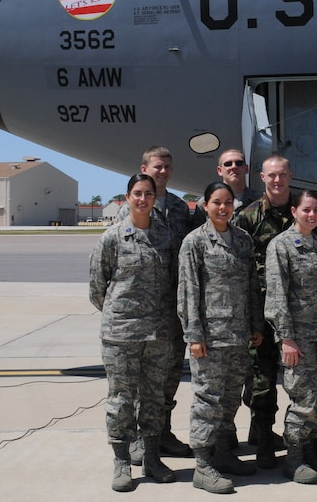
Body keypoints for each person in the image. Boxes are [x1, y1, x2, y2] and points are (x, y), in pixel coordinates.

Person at [90, 174, 179, 492]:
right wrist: (122, 316)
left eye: (148, 194)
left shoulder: (165, 237)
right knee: (121, 401)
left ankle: (152, 458)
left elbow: (172, 284)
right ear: (128, 197)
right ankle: (122, 462)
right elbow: (97, 287)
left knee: (154, 399)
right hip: (121, 335)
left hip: (158, 334)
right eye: (137, 194)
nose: (143, 199)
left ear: (155, 198)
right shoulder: (112, 237)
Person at [178, 182, 264, 494]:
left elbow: (251, 285)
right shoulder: (195, 242)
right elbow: (188, 292)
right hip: (210, 339)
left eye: (228, 202)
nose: (223, 207)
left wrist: (256, 323)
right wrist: (194, 335)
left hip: (238, 335)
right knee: (206, 400)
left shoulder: (242, 240)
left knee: (229, 399)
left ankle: (224, 452)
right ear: (204, 204)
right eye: (216, 202)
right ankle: (203, 464)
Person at [115, 146, 196, 462]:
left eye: (167, 167)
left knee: (171, 373)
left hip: (174, 308)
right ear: (144, 168)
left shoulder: (178, 208)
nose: (162, 172)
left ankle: (162, 433)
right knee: (141, 379)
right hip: (142, 310)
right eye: (157, 167)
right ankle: (137, 438)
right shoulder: (130, 209)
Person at [265, 190, 317, 483]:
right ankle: (294, 458)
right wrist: (286, 337)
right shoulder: (281, 245)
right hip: (298, 338)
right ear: (294, 211)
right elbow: (276, 294)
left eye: (316, 210)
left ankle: (309, 451)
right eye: (306, 210)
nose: (312, 215)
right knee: (303, 399)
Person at [234, 155, 295, 467]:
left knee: (302, 379)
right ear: (262, 178)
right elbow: (237, 267)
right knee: (262, 378)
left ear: (289, 175)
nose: (277, 180)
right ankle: (263, 437)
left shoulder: (303, 211)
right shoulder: (248, 217)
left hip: (296, 312)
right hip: (260, 311)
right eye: (271, 175)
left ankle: (305, 438)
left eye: (282, 174)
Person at [195, 149, 261, 212]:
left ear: (246, 169)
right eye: (228, 164)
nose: (234, 166)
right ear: (219, 170)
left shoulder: (262, 200)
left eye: (239, 163)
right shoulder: (206, 202)